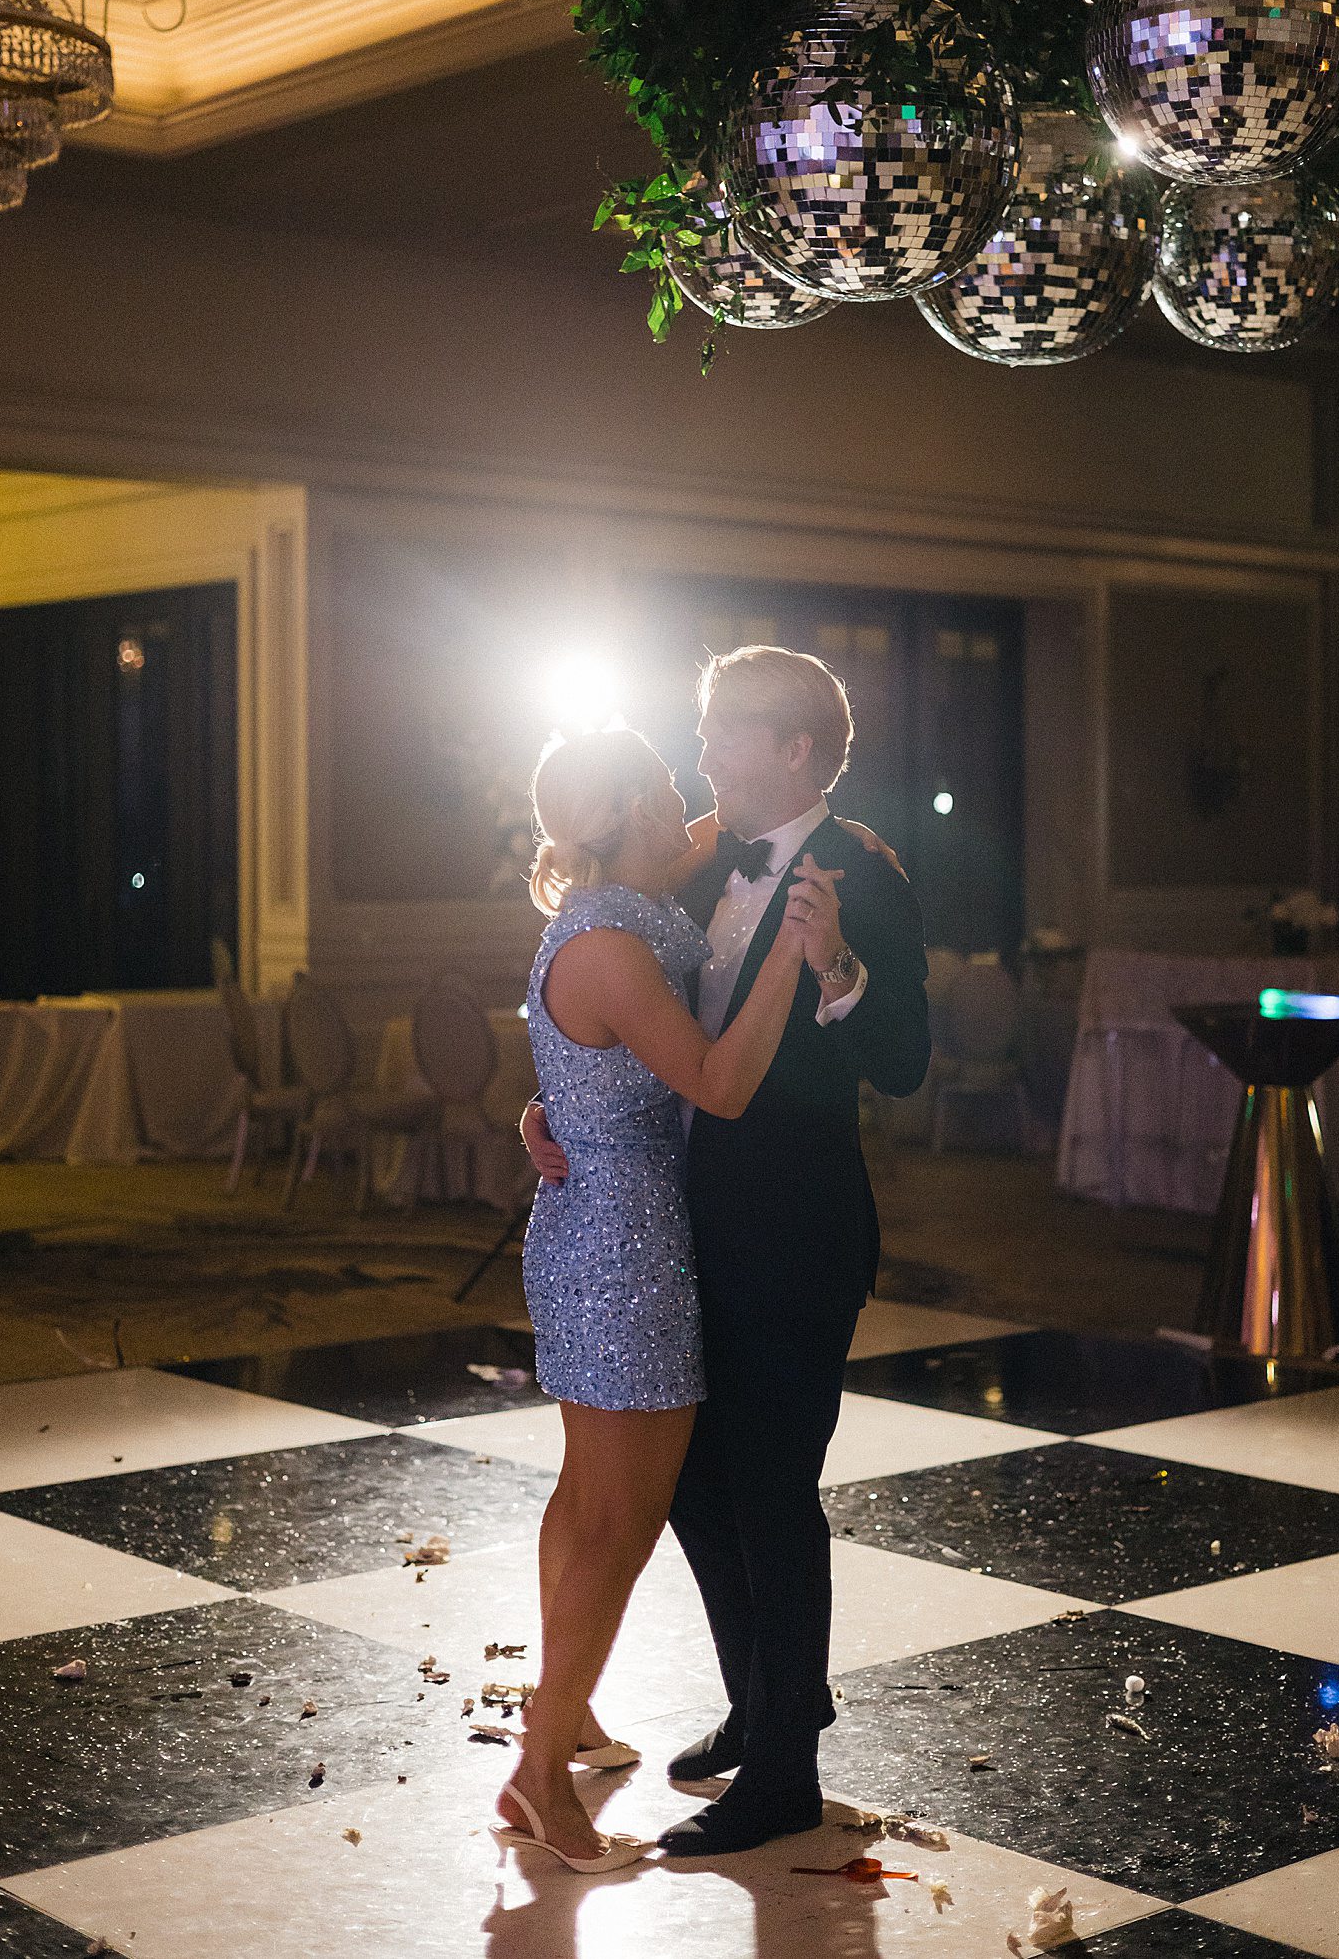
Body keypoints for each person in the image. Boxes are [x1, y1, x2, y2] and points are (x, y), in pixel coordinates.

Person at [525, 646, 930, 1857]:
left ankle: (787, 1775)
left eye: (726, 732)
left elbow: (904, 1060)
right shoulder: (699, 857)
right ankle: (765, 1702)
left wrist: (839, 970)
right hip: (681, 1227)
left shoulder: (863, 868)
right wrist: (561, 1107)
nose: (702, 753)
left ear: (797, 749)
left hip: (796, 1232)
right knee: (696, 1483)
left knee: (770, 1489)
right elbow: (609, 986)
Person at [494, 724, 847, 1874]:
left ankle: (569, 1715)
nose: (688, 803)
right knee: (619, 1520)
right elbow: (718, 1082)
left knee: (584, 1497)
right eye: (662, 790)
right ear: (625, 818)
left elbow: (735, 822)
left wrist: (812, 802)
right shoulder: (607, 943)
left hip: (602, 1224)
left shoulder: (623, 894)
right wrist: (795, 953)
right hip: (625, 1248)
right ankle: (540, 1775)